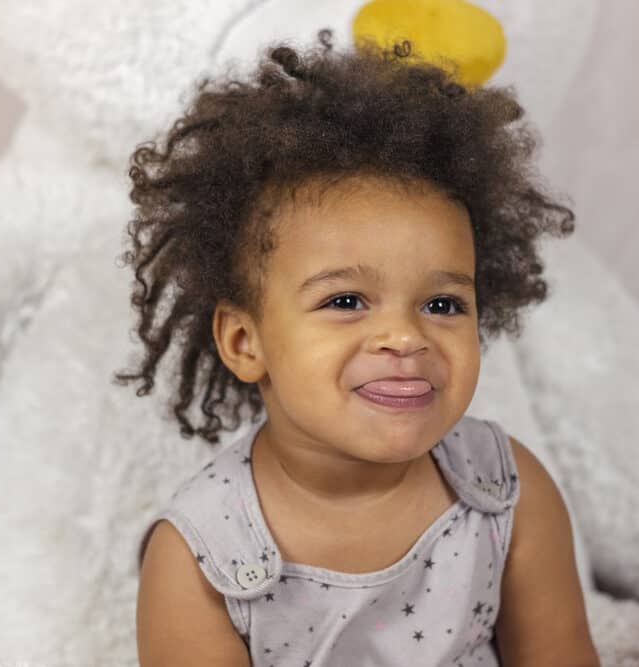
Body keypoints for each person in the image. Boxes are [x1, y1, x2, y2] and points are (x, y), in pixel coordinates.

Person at [118, 30, 600, 667]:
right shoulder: (202, 558)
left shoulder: (505, 491)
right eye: (345, 302)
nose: (405, 337)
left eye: (442, 304)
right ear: (244, 341)